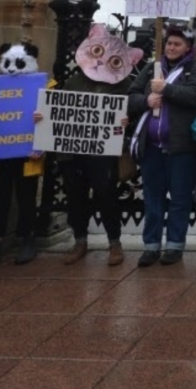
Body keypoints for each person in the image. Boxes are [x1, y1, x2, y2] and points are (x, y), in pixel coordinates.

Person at [58, 23, 142, 266]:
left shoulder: (123, 85)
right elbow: (59, 111)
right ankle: (80, 240)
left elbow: (133, 112)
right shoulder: (73, 81)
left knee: (106, 195)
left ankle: (114, 243)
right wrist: (42, 118)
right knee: (76, 196)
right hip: (73, 151)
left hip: (104, 152)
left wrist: (126, 120)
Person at [127, 23, 196, 266]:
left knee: (180, 198)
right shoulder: (153, 68)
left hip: (181, 147)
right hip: (151, 147)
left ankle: (174, 245)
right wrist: (146, 100)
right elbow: (131, 96)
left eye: (177, 44)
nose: (172, 48)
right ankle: (151, 246)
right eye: (169, 43)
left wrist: (167, 90)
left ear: (188, 48)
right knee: (152, 198)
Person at [0, 41, 45, 270]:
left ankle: (28, 238)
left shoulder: (44, 85)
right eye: (8, 63)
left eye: (18, 63)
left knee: (27, 196)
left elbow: (52, 117)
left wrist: (42, 130)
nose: (13, 68)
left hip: (28, 153)